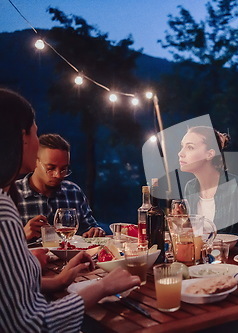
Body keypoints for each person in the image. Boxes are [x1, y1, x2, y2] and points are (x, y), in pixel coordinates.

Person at [0, 88, 140, 333]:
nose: (57, 175)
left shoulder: (68, 191)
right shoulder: (4, 211)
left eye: (64, 169)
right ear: (21, 137)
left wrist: (60, 281)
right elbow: (30, 324)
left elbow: (10, 291)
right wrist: (102, 287)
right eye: (34, 131)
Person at [178, 126, 238, 247]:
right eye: (182, 146)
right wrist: (184, 224)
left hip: (229, 260)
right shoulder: (190, 188)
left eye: (190, 147)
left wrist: (210, 237)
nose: (180, 153)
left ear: (210, 154)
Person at [15, 133, 105, 241]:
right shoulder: (12, 195)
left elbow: (90, 229)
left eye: (63, 169)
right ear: (35, 161)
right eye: (51, 168)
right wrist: (21, 236)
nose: (58, 175)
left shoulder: (73, 192)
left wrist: (95, 231)